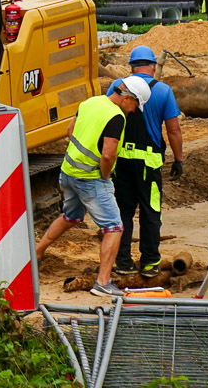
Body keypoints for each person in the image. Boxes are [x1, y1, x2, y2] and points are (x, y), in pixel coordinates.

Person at [35, 75, 151, 297]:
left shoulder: (91, 102)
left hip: (68, 173)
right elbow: (108, 155)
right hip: (90, 179)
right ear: (128, 98)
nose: (135, 111)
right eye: (136, 105)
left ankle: (37, 252)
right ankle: (103, 282)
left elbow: (70, 130)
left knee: (71, 217)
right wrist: (105, 177)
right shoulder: (116, 117)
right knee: (114, 227)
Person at [107, 45, 186, 278]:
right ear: (153, 66)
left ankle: (123, 261)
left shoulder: (117, 87)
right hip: (148, 165)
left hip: (120, 162)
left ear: (130, 67)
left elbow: (106, 117)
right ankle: (150, 262)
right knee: (151, 212)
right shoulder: (163, 91)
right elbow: (173, 130)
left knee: (123, 211)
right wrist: (179, 159)